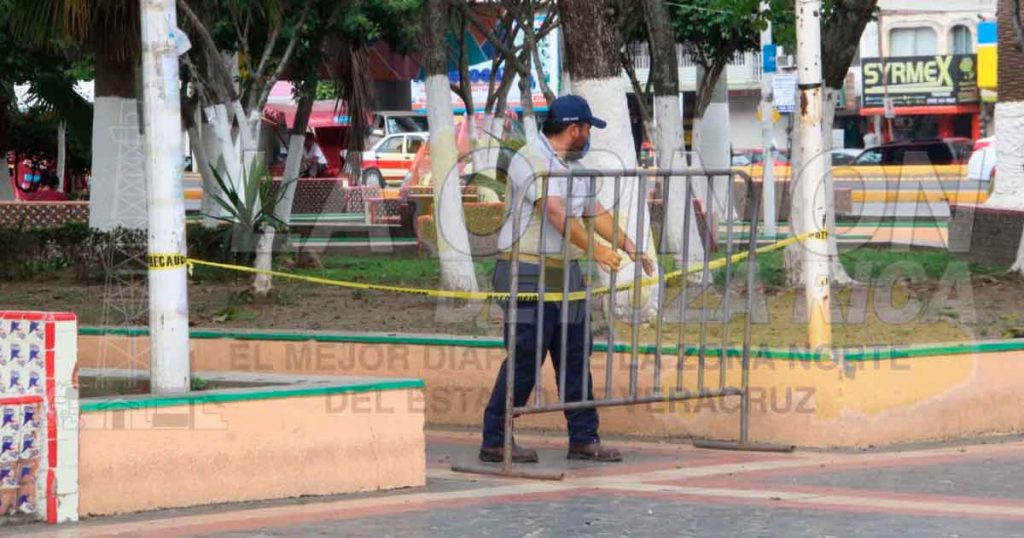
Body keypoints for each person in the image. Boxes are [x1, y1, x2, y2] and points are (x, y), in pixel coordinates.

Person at [481, 95, 655, 464]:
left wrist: (630, 246)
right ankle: (496, 438)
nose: (590, 135)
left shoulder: (575, 164)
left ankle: (584, 437)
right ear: (574, 129)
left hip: (565, 273)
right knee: (526, 356)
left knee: (575, 352)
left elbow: (593, 212)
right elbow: (557, 214)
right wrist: (598, 252)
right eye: (588, 128)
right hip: (524, 271)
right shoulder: (531, 160)